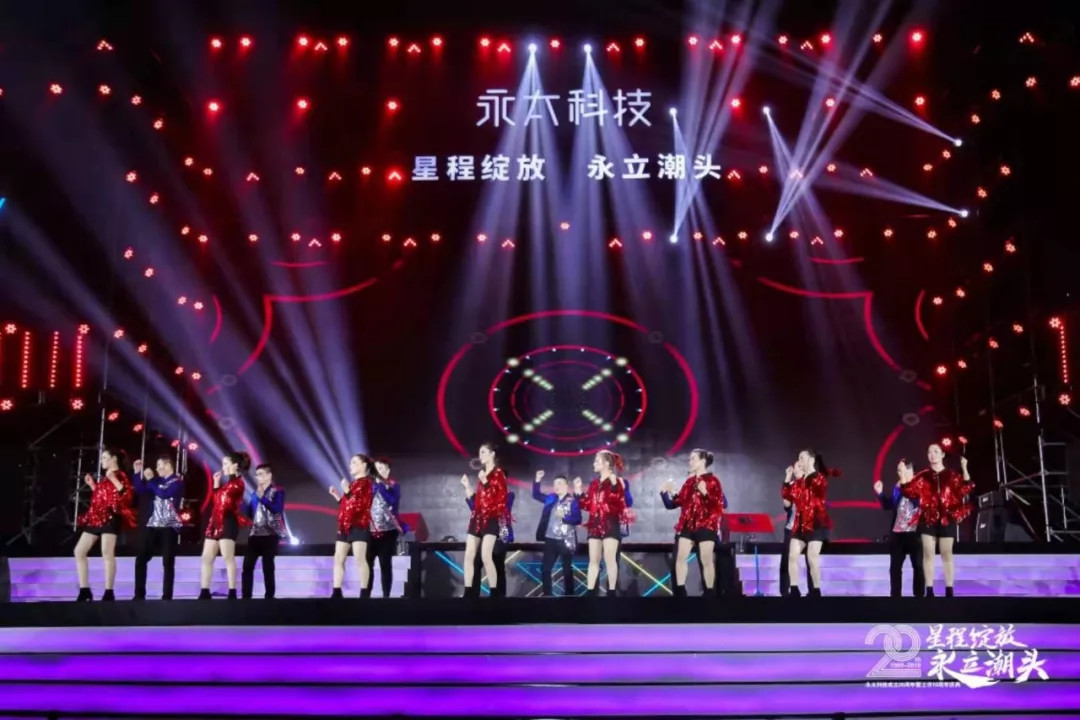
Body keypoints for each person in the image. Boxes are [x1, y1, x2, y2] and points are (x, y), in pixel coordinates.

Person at [901, 443, 973, 597]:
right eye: (929, 452)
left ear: (942, 455)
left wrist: (964, 468)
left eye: (935, 451)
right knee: (928, 553)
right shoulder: (922, 476)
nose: (932, 454)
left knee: (947, 553)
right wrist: (903, 477)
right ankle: (929, 589)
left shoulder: (952, 475)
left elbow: (965, 489)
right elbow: (909, 492)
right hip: (927, 519)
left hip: (947, 517)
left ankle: (949, 589)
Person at [74, 447, 137, 601]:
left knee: (107, 552)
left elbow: (127, 496)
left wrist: (114, 479)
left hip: (110, 517)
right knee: (79, 551)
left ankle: (109, 591)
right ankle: (84, 589)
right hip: (96, 517)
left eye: (104, 457)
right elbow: (101, 496)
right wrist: (92, 485)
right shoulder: (105, 477)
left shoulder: (120, 475)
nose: (101, 461)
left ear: (113, 458)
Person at [660, 449, 725, 597]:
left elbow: (719, 506)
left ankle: (709, 594)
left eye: (693, 459)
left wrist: (705, 493)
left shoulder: (713, 481)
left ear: (702, 461)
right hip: (687, 525)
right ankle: (681, 593)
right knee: (680, 558)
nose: (690, 462)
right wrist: (665, 492)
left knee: (706, 560)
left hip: (706, 524)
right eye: (690, 459)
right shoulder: (689, 482)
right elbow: (674, 503)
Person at [577, 450, 634, 596]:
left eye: (597, 461)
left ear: (607, 464)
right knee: (593, 560)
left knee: (610, 558)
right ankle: (590, 593)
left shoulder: (619, 481)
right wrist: (578, 493)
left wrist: (615, 484)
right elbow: (587, 505)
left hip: (610, 523)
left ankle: (611, 592)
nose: (594, 463)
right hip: (595, 524)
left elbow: (622, 503)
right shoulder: (594, 484)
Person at [198, 452, 251, 599]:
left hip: (228, 521)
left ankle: (232, 590)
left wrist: (220, 487)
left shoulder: (238, 483)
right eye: (223, 464)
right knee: (207, 557)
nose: (223, 467)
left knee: (228, 556)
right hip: (215, 522)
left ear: (235, 465)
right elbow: (217, 501)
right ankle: (204, 590)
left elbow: (225, 502)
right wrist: (216, 483)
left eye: (226, 464)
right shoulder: (227, 484)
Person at [131, 454, 184, 601]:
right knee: (141, 558)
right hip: (153, 525)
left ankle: (167, 595)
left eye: (159, 465)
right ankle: (139, 594)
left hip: (169, 526)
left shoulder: (177, 482)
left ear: (167, 466)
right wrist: (137, 473)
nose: (157, 468)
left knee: (167, 561)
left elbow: (164, 494)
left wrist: (150, 480)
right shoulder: (157, 481)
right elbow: (141, 490)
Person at [461, 443, 509, 597]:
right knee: (469, 555)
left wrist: (486, 482)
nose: (480, 455)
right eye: (479, 452)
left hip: (492, 519)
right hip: (477, 518)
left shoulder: (498, 474)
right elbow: (477, 502)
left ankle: (494, 592)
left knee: (486, 556)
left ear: (492, 454)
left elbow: (500, 499)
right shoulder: (482, 474)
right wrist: (467, 487)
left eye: (483, 452)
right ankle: (468, 592)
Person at [782, 450, 832, 597]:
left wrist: (807, 473)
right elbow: (787, 501)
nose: (800, 461)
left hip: (816, 524)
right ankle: (794, 589)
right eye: (798, 458)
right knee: (792, 556)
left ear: (811, 460)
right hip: (800, 525)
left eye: (802, 458)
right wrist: (787, 479)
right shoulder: (798, 483)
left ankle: (816, 590)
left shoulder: (819, 478)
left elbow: (816, 489)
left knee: (812, 557)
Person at [874, 459, 925, 598]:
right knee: (895, 568)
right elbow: (889, 505)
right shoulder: (898, 486)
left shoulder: (920, 485)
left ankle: (919, 598)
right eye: (898, 470)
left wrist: (905, 485)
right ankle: (895, 599)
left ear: (909, 470)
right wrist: (880, 493)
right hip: (898, 533)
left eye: (900, 470)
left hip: (914, 533)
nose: (898, 473)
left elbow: (917, 503)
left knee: (918, 567)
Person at [329, 454, 375, 598]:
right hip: (344, 525)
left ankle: (364, 591)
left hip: (359, 524)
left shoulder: (367, 483)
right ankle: (337, 591)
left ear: (364, 465)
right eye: (350, 463)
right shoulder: (353, 483)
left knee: (359, 558)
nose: (350, 466)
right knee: (338, 558)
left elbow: (360, 505)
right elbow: (347, 505)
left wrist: (347, 491)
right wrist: (338, 496)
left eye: (354, 462)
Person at [533, 470, 582, 597]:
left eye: (559, 483)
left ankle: (569, 597)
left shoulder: (572, 501)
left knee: (567, 569)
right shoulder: (551, 498)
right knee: (545, 569)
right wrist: (538, 479)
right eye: (555, 484)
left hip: (566, 540)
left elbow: (578, 519)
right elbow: (536, 495)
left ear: (566, 485)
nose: (556, 486)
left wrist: (564, 517)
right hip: (550, 539)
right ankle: (547, 596)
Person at [241, 463, 286, 599]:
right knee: (247, 567)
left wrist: (263, 498)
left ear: (269, 476)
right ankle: (246, 597)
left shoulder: (278, 491)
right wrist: (242, 503)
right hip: (254, 536)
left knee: (268, 568)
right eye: (256, 475)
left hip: (270, 535)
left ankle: (269, 597)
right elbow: (250, 513)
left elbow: (277, 510)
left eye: (260, 474)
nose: (257, 477)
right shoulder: (254, 493)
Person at [364, 457, 405, 598]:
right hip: (369, 530)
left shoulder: (394, 485)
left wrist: (381, 486)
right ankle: (366, 595)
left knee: (385, 564)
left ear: (388, 470)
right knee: (367, 564)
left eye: (382, 468)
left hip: (388, 531)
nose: (379, 471)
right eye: (377, 469)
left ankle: (386, 596)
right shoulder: (368, 486)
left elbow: (392, 501)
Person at [466, 487, 515, 596]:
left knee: (498, 566)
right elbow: (475, 509)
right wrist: (468, 491)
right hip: (486, 534)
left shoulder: (508, 495)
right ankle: (473, 595)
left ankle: (499, 596)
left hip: (500, 536)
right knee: (476, 564)